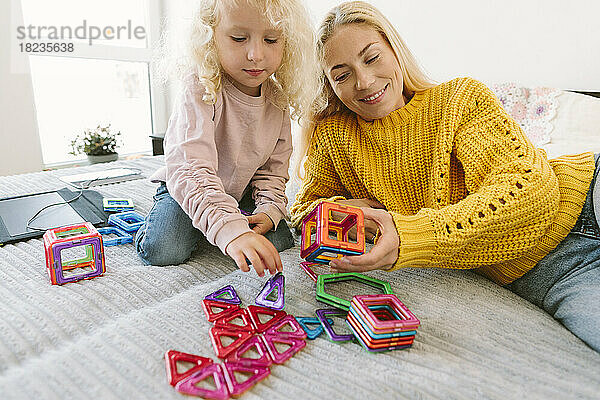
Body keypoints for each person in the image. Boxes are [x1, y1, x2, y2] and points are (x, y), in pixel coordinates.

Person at [290, 1, 600, 352]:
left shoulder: (459, 99)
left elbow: (529, 191)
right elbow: (303, 213)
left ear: (395, 50)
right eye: (342, 74)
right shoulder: (335, 138)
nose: (364, 81)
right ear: (331, 86)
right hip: (551, 275)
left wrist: (408, 235)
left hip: (587, 190)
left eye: (372, 57)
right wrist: (346, 207)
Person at [136, 0, 320, 277]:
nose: (256, 54)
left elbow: (273, 171)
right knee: (165, 249)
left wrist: (269, 209)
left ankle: (217, 224)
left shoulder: (278, 100)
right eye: (238, 38)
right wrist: (230, 231)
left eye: (271, 39)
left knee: (280, 239)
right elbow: (191, 169)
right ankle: (211, 224)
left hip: (241, 191)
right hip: (188, 188)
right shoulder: (200, 87)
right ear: (210, 38)